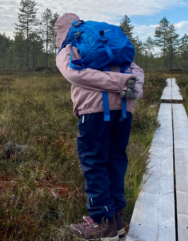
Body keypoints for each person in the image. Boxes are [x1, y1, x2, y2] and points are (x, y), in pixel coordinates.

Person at [55, 13, 144, 240]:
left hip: (94, 111)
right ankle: (116, 219)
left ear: (60, 31)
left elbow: (74, 74)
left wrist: (120, 84)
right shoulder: (107, 43)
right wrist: (132, 88)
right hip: (125, 109)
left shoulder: (70, 46)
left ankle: (101, 222)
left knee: (94, 163)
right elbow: (135, 70)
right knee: (115, 160)